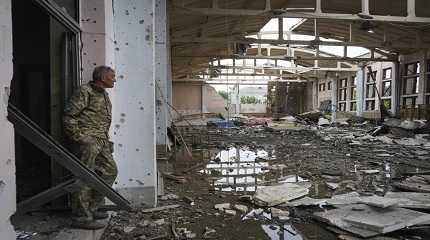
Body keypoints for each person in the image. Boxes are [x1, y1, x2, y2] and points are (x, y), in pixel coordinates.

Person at [63, 66, 118, 229]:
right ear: (102, 77)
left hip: (101, 141)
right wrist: (82, 138)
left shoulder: (103, 94)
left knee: (110, 171)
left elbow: (101, 121)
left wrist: (106, 141)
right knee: (84, 177)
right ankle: (81, 217)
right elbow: (69, 116)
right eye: (112, 76)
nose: (114, 79)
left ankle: (92, 208)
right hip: (88, 141)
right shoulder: (85, 91)